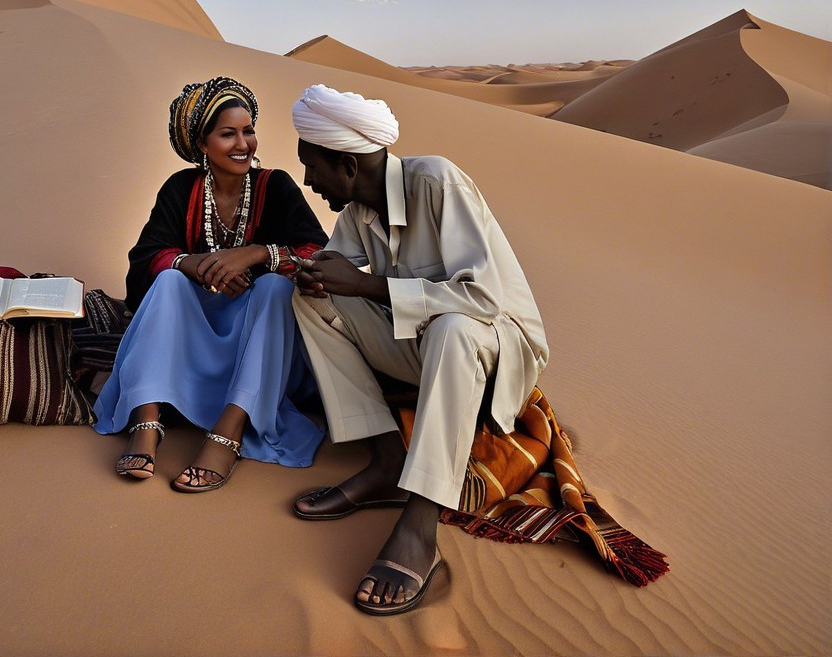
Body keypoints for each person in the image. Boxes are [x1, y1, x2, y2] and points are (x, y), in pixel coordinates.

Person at [288, 84, 549, 615]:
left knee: (454, 326)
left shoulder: (436, 181)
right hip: (425, 351)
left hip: (495, 351)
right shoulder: (359, 211)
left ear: (348, 164)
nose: (310, 182)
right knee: (310, 300)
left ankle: (421, 520)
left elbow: (481, 298)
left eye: (313, 167)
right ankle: (386, 458)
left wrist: (364, 286)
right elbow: (336, 269)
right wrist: (313, 274)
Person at [93, 76, 327, 491]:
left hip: (259, 340)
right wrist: (197, 265)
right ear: (202, 144)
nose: (243, 144)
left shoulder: (277, 186)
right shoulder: (182, 188)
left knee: (275, 288)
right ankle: (145, 422)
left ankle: (229, 431)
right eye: (228, 134)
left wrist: (257, 254)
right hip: (193, 337)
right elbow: (146, 258)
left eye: (248, 130)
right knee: (167, 281)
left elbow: (317, 254)